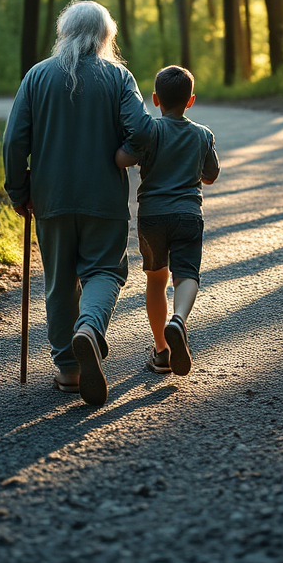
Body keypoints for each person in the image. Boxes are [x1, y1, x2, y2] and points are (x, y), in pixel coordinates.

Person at [3, 0, 153, 407]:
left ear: (64, 32)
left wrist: (20, 190)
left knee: (60, 282)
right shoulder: (118, 76)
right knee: (105, 271)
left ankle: (69, 372)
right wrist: (124, 155)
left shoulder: (37, 76)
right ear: (106, 36)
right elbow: (142, 129)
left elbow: (14, 141)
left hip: (50, 197)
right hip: (103, 196)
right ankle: (89, 328)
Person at [115, 64, 219, 377]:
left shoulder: (149, 131)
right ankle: (179, 320)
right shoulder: (203, 135)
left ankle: (162, 351)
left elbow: (124, 158)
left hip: (152, 216)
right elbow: (211, 176)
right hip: (188, 214)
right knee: (186, 274)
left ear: (155, 99)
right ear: (191, 100)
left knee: (156, 279)